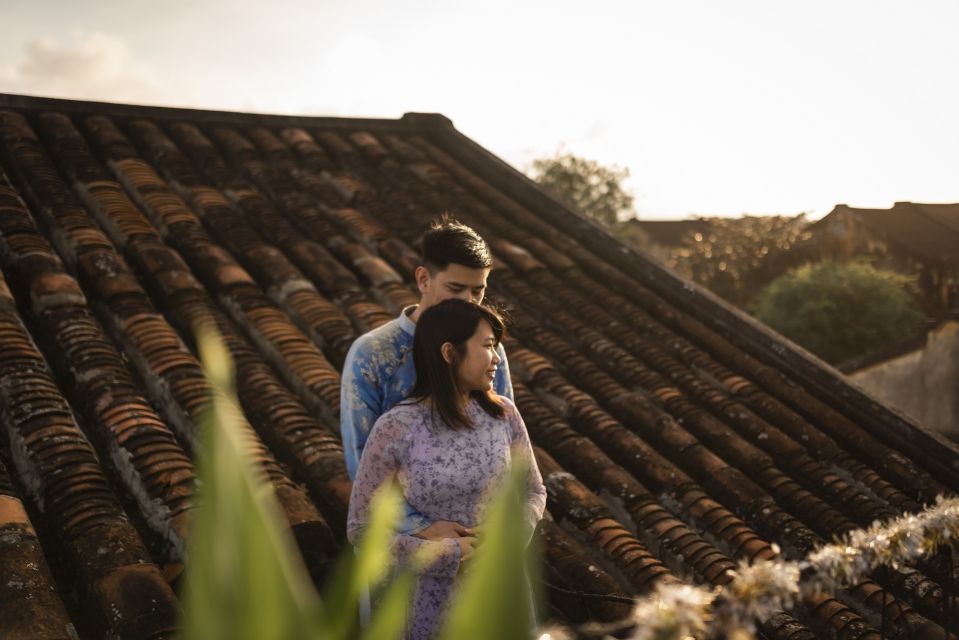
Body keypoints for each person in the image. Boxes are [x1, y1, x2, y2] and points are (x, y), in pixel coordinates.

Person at [346, 299, 546, 639]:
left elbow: (534, 490)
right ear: (449, 352)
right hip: (430, 600)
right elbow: (362, 529)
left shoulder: (504, 414)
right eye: (487, 346)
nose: (497, 358)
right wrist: (442, 554)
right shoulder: (396, 427)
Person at [340, 217, 513, 540]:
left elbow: (504, 439)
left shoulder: (492, 353)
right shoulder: (373, 356)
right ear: (423, 279)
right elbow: (362, 462)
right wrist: (420, 527)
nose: (468, 302)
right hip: (402, 545)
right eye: (455, 288)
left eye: (478, 291)